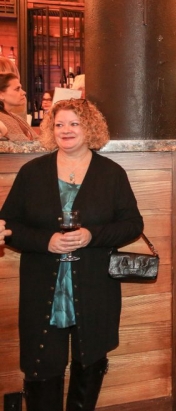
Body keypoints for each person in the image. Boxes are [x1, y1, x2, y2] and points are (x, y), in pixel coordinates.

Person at [0, 98, 144, 410]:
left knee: (90, 360)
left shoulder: (111, 173)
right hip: (43, 286)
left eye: (74, 123)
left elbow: (133, 225)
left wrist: (93, 235)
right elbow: (8, 224)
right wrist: (46, 241)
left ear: (89, 127)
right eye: (59, 124)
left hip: (95, 285)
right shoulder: (32, 172)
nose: (66, 130)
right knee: (42, 363)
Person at [0, 73, 37, 140]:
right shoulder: (2, 119)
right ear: (1, 95)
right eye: (17, 89)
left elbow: (38, 140)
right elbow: (22, 144)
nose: (24, 92)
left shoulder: (17, 117)